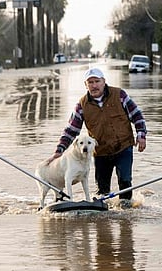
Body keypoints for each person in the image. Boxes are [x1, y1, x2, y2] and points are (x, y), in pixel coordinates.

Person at [48, 67, 147, 202]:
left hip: (123, 146)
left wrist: (141, 135)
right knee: (102, 189)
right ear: (86, 85)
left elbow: (137, 115)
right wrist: (59, 150)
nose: (94, 85)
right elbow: (71, 130)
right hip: (100, 151)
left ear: (103, 82)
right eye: (90, 82)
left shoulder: (119, 95)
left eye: (97, 81)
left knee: (125, 181)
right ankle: (103, 216)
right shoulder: (82, 105)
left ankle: (126, 215)